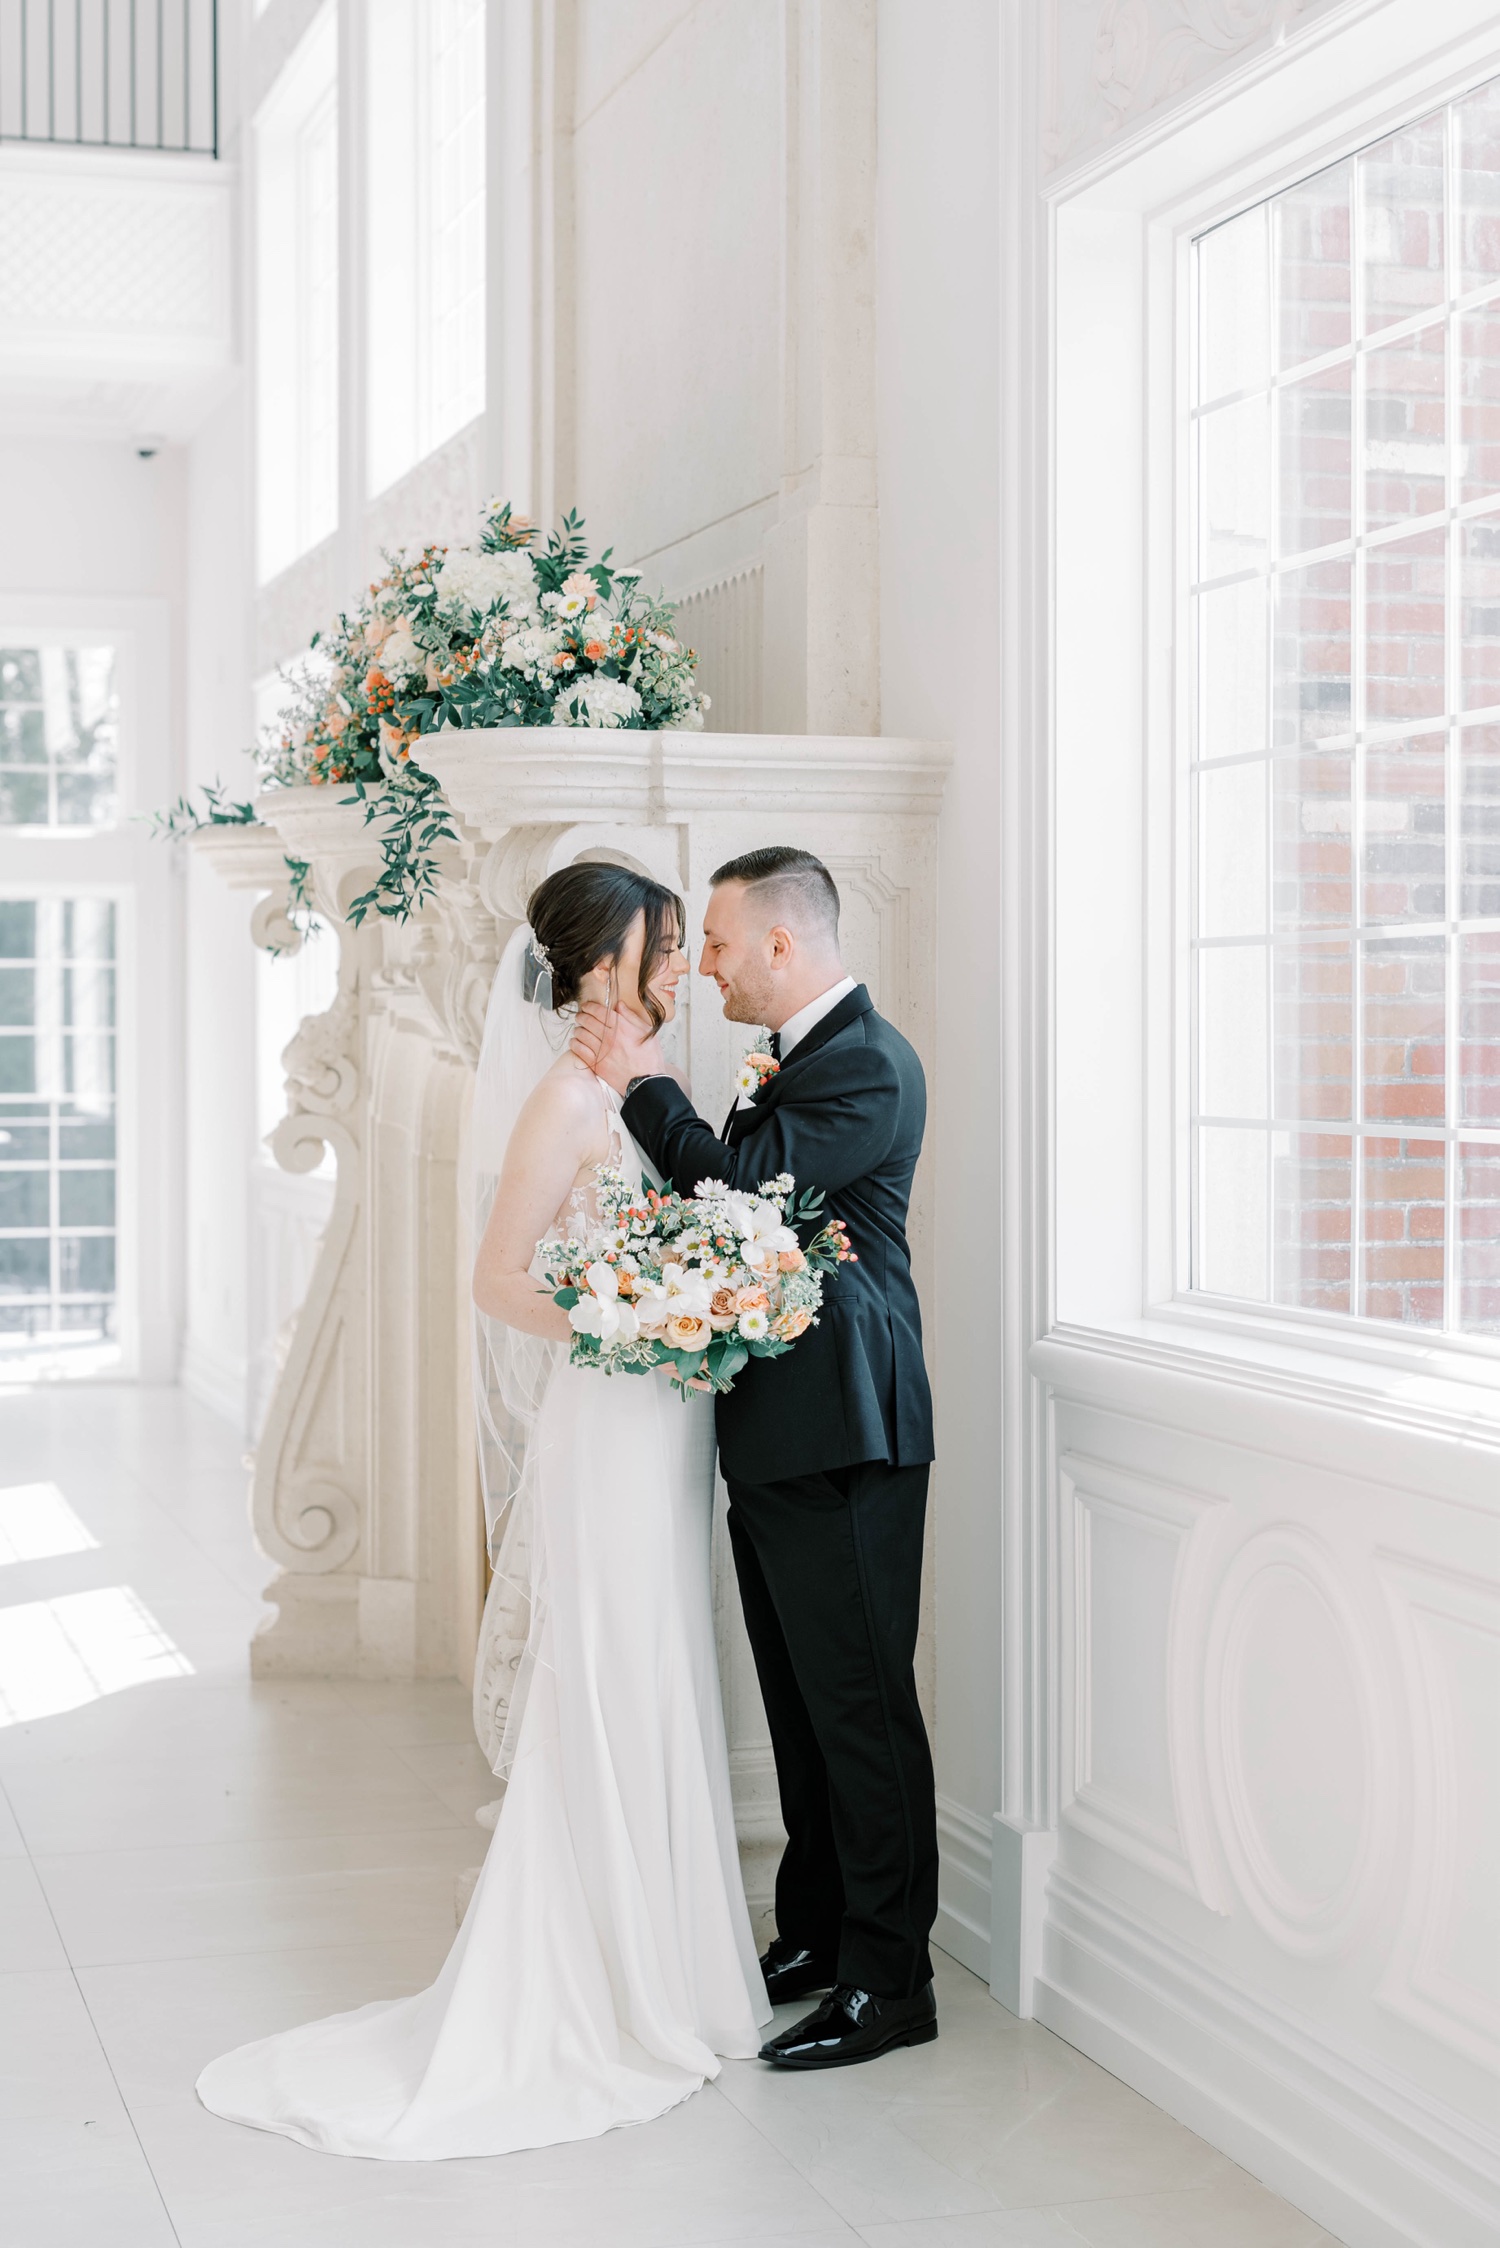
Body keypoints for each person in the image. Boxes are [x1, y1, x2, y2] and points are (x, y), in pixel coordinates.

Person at [195, 862, 770, 2159]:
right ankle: (591, 1983)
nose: (678, 972)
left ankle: (671, 1975)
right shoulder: (562, 1104)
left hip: (668, 1423)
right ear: (595, 967)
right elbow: (499, 1283)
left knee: (662, 1675)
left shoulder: (640, 1097)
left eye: (682, 949)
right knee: (606, 1677)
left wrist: (695, 1297)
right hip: (609, 1419)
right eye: (661, 950)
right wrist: (634, 1312)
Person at [570, 844, 939, 2071]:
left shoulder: (872, 1068)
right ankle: (820, 1933)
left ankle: (891, 1981)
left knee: (860, 1706)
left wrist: (645, 1088)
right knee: (796, 1701)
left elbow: (739, 1192)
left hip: (850, 1425)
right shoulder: (796, 1057)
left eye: (718, 943)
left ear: (782, 945)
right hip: (779, 1427)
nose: (706, 965)